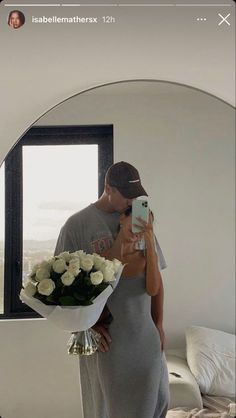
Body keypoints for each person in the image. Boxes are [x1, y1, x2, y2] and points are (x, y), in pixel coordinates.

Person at [54, 161, 169, 418]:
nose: (131, 201)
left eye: (135, 195)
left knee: (155, 403)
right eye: (126, 195)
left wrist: (159, 324)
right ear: (108, 188)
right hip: (104, 342)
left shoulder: (140, 220)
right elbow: (60, 290)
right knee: (103, 408)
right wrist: (87, 324)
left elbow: (156, 281)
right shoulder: (76, 225)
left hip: (141, 335)